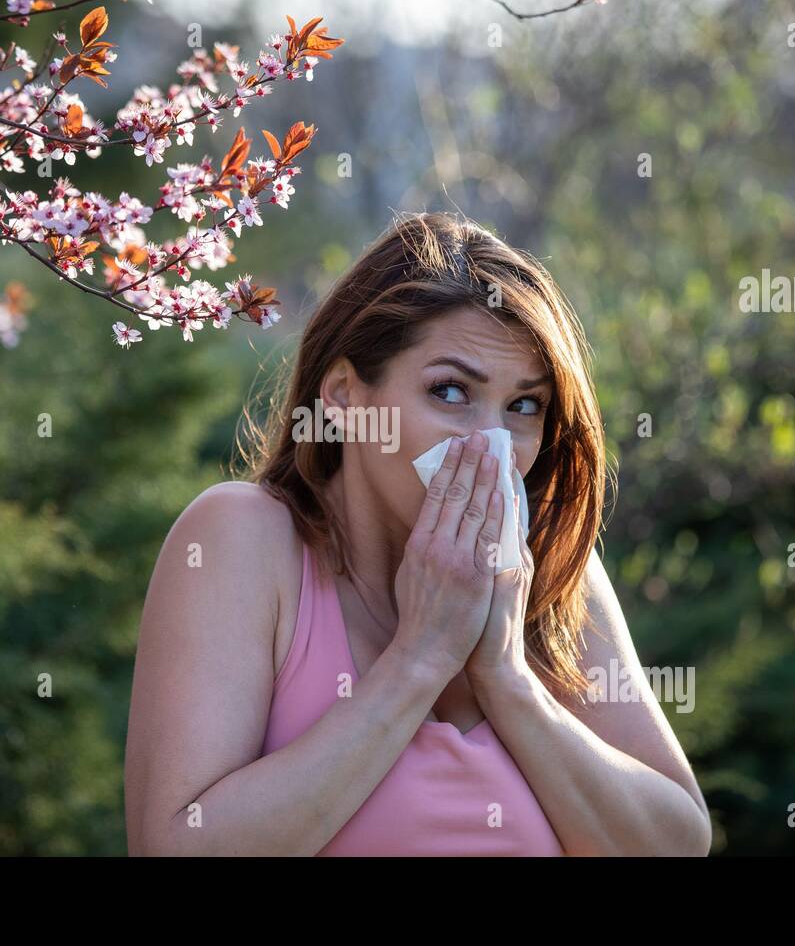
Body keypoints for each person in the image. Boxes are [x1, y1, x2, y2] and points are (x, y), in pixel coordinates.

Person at [123, 211, 711, 855]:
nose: (491, 444)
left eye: (523, 406)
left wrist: (505, 676)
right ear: (345, 396)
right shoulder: (243, 539)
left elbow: (677, 843)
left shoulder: (545, 566)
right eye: (451, 391)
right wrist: (420, 660)